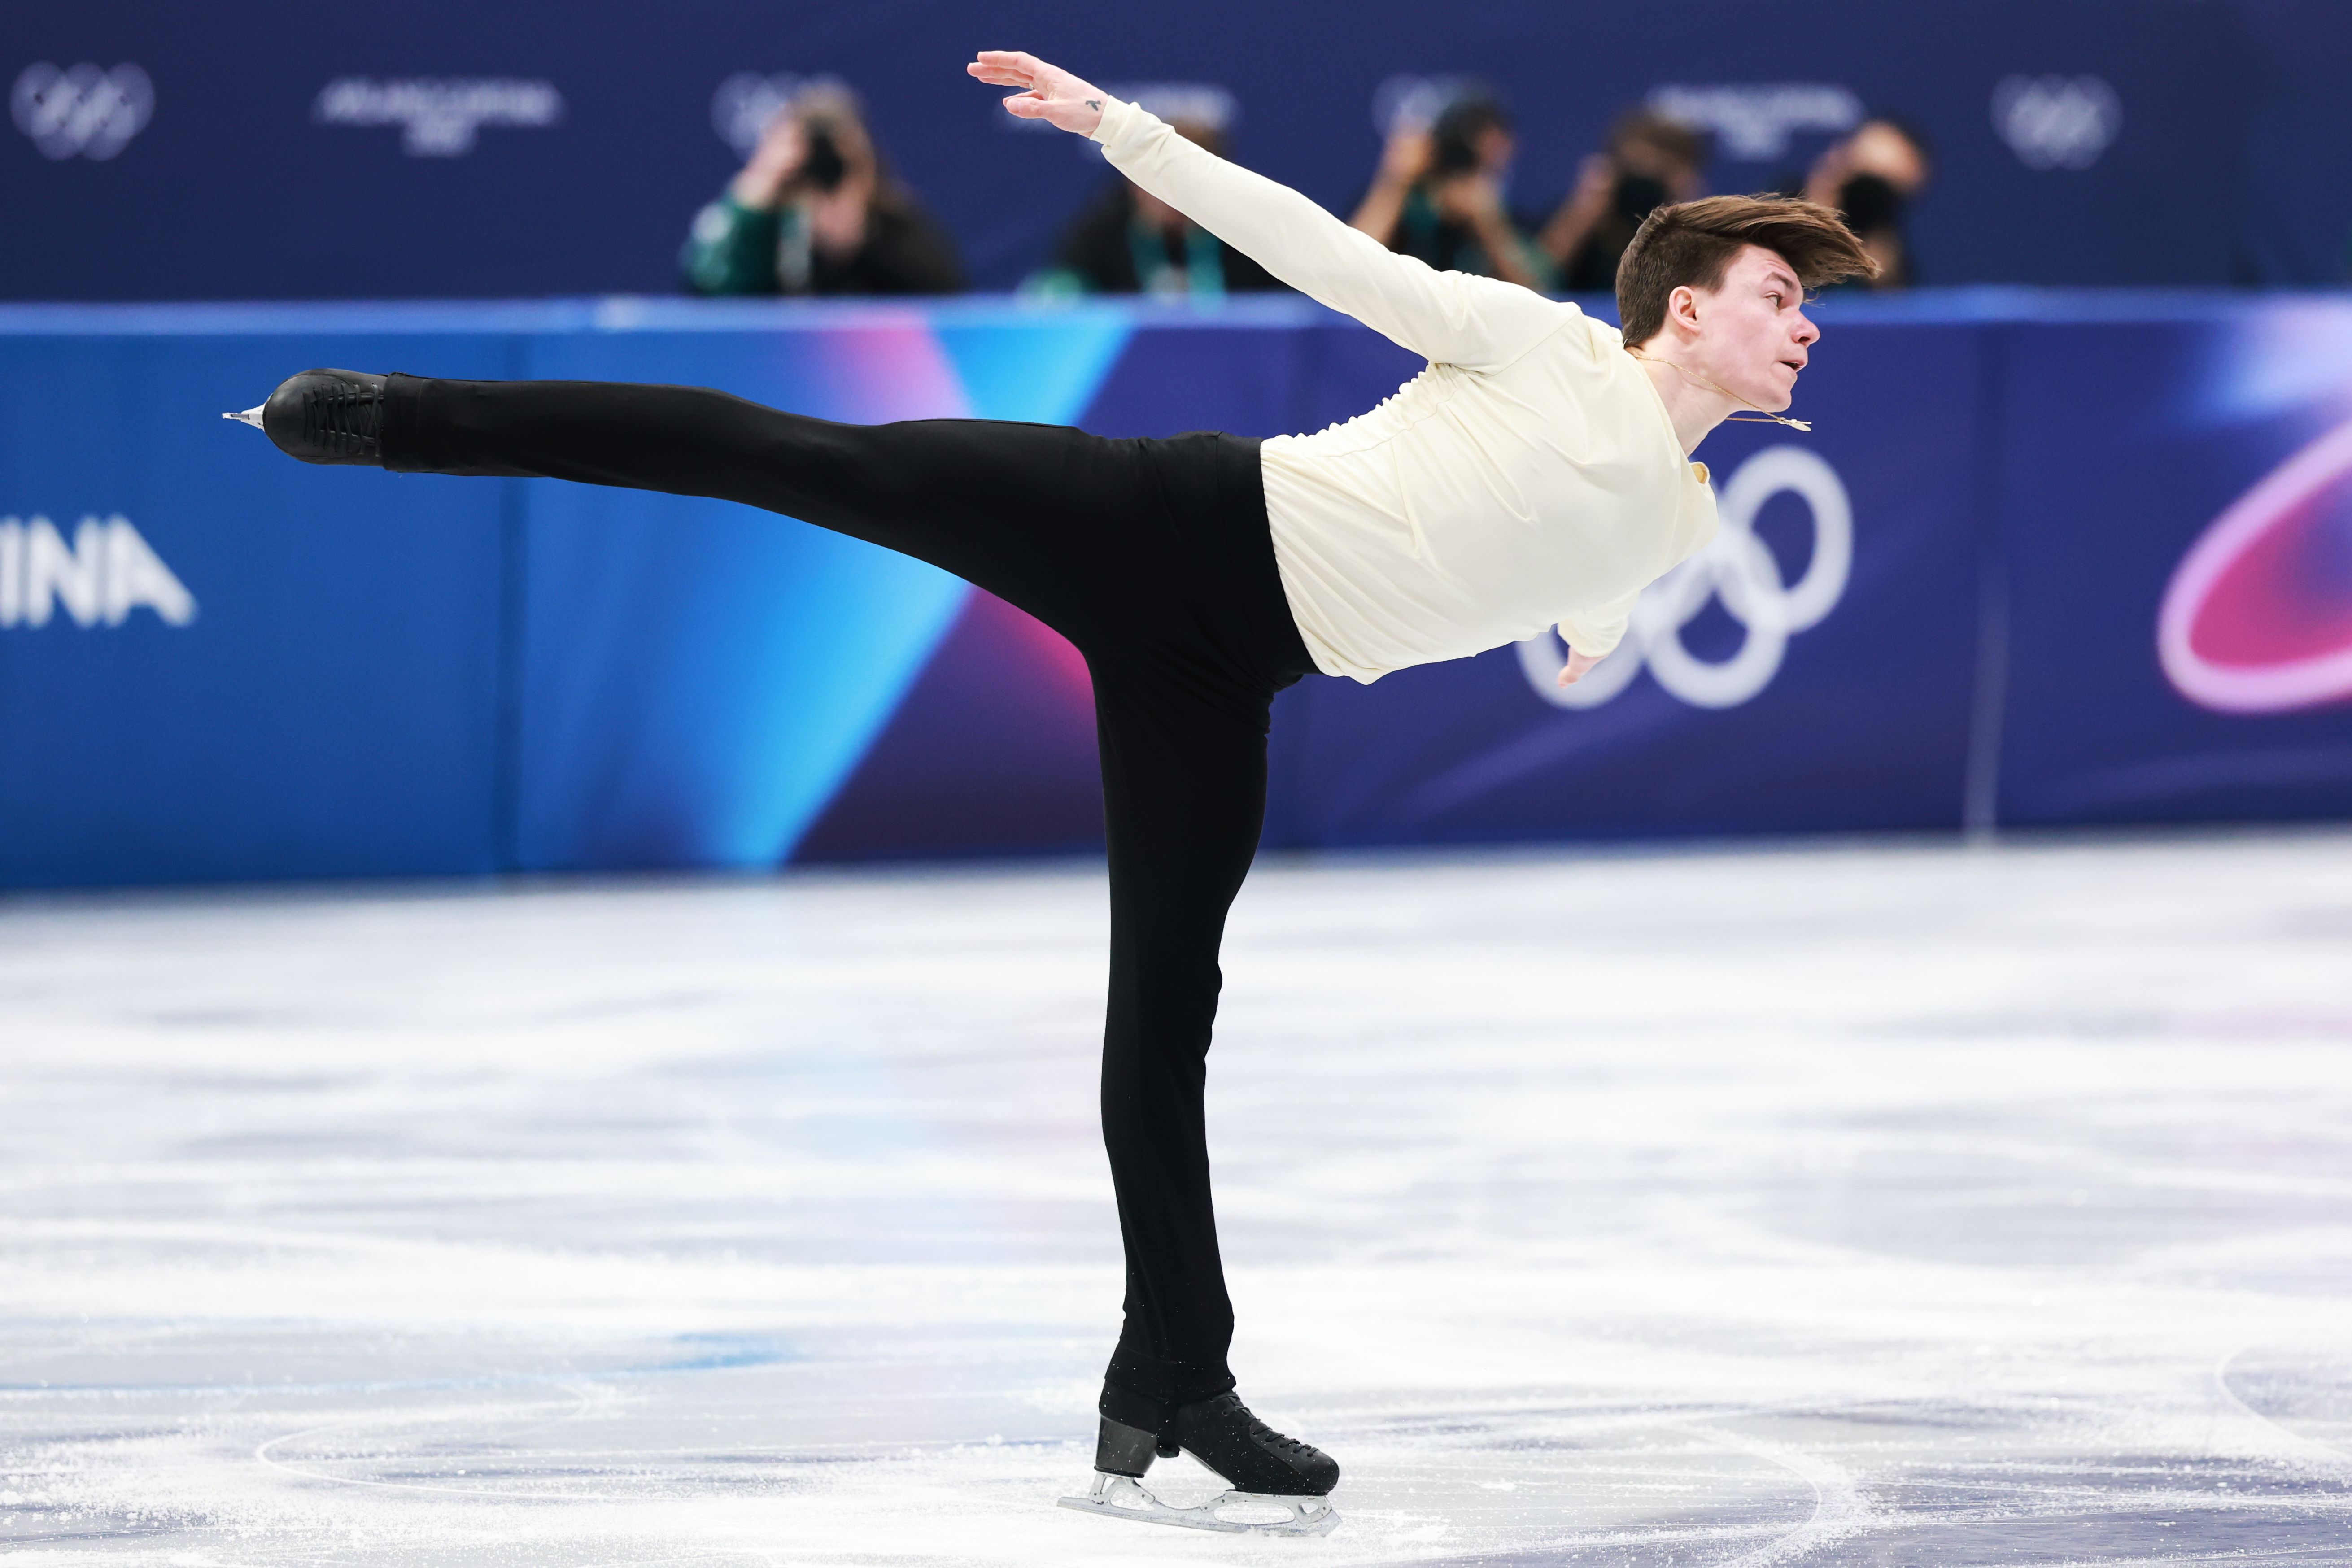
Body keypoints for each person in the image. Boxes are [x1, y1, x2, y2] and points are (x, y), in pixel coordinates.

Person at [224, 47, 1873, 1536]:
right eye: (1777, 294)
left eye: (1806, 303)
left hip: (1222, 680)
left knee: (1164, 1008)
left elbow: (1585, 587)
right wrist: (1122, 130)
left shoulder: (1682, 524)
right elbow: (1321, 250)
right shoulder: (1536, 343)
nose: (1802, 323)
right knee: (811, 457)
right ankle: (400, 418)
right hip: (1157, 522)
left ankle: (1172, 1376)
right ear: (1682, 309)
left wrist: (1581, 629)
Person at [681, 82, 965, 296]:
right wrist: (752, 204)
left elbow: (947, 297)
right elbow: (705, 291)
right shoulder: (767, 221)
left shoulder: (895, 225)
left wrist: (858, 240)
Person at [1027, 118, 1286, 299]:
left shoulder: (1252, 238)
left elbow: (1290, 314)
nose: (1171, 198)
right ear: (1133, 179)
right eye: (1158, 182)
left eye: (1186, 186)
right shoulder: (1099, 234)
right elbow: (1057, 301)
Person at [1348, 89, 1553, 292]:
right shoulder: (1400, 204)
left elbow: (1538, 295)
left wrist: (1489, 227)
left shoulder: (1502, 216)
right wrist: (1395, 182)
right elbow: (1349, 272)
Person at [1538, 109, 1709, 294]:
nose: (1644, 186)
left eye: (1657, 174)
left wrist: (1690, 214)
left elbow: (1707, 287)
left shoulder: (1692, 226)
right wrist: (1582, 212)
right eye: (1635, 169)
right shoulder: (1582, 214)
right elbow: (1536, 279)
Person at [1797, 116, 1932, 288]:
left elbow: (1887, 291)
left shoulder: (1885, 233)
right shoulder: (1778, 210)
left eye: (1875, 188)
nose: (1862, 196)